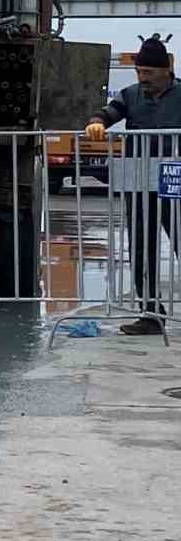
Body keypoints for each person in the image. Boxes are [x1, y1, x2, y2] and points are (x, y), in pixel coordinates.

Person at [85, 34, 181, 335]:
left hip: (174, 183)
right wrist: (97, 122)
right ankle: (151, 314)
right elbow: (108, 112)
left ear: (166, 69)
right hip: (139, 182)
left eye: (149, 73)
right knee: (141, 248)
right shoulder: (130, 95)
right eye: (140, 72)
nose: (143, 78)